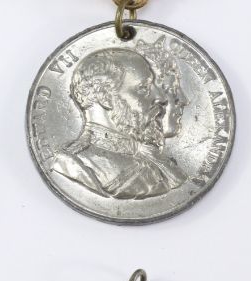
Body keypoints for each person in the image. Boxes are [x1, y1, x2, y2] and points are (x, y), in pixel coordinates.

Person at [51, 48, 187, 200]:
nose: (160, 97)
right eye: (144, 88)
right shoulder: (74, 165)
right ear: (105, 97)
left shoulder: (154, 158)